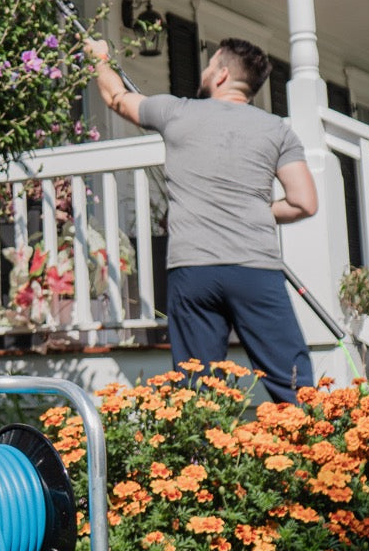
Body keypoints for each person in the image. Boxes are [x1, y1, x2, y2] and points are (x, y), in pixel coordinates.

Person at [86, 36, 319, 403]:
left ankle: (200, 459)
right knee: (292, 382)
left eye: (210, 65)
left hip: (193, 269)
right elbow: (304, 203)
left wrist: (99, 59)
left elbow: (116, 98)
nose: (206, 70)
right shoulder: (277, 130)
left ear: (222, 74)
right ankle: (316, 453)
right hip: (254, 269)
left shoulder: (177, 111)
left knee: (198, 390)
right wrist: (257, 211)